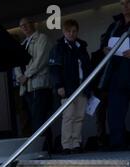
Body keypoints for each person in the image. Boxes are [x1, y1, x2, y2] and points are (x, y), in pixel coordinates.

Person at [49, 19, 92, 154]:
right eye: (68, 31)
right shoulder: (58, 47)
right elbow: (55, 69)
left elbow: (88, 67)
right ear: (64, 31)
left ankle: (76, 143)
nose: (71, 34)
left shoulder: (82, 46)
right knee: (68, 116)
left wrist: (89, 86)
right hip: (67, 87)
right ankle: (66, 145)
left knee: (79, 116)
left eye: (74, 31)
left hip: (82, 85)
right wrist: (59, 85)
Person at [14, 17, 53, 150]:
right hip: (26, 88)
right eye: (21, 26)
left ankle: (45, 148)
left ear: (33, 24)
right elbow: (16, 63)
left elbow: (41, 60)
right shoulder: (23, 43)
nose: (24, 27)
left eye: (26, 24)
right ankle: (39, 147)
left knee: (40, 118)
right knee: (31, 118)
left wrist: (26, 75)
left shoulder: (42, 38)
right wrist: (20, 76)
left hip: (39, 85)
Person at [99, 0, 130, 150]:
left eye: (128, 3)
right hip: (117, 73)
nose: (125, 6)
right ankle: (118, 143)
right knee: (115, 110)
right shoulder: (115, 25)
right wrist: (105, 50)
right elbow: (103, 45)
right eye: (123, 3)